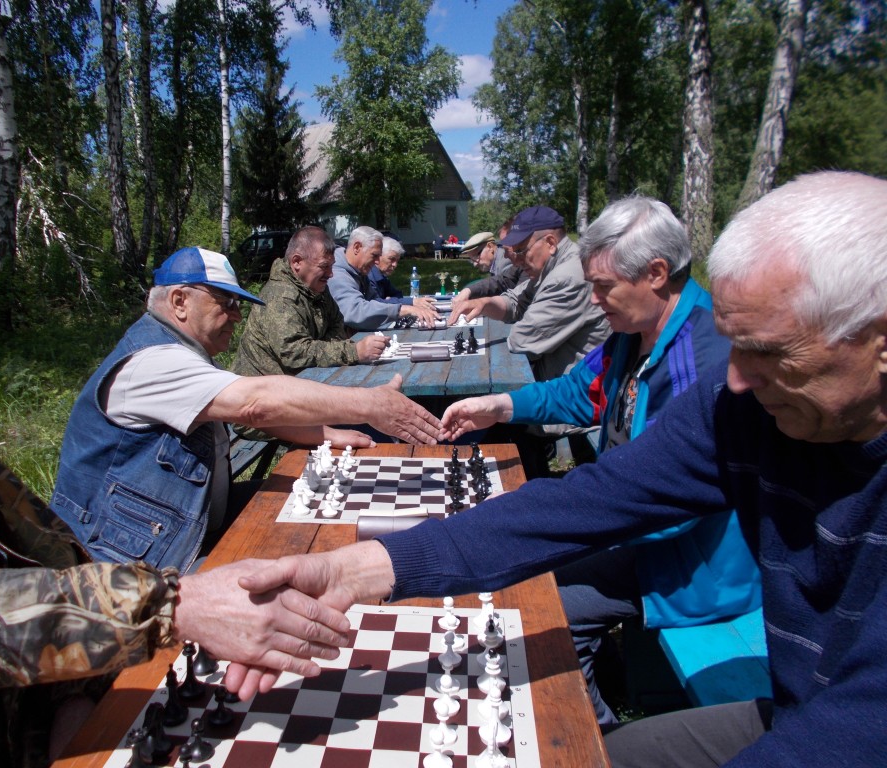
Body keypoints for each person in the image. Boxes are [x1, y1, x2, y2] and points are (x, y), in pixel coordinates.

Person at [238, 171, 887, 766]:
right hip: (796, 699)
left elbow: (857, 726)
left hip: (705, 593)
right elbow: (591, 495)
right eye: (737, 343)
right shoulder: (739, 404)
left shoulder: (710, 371)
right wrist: (352, 569)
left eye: (768, 351)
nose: (738, 377)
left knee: (540, 603)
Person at [0, 221, 352, 768]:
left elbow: (37, 554)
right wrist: (169, 607)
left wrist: (74, 688)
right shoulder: (149, 358)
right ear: (181, 302)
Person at [440, 195, 761, 725]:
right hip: (641, 530)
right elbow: (577, 394)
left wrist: (570, 523)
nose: (593, 301)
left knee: (543, 606)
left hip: (692, 561)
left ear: (656, 273)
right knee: (530, 575)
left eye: (604, 287)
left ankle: (594, 742)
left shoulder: (702, 362)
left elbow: (664, 507)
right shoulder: (633, 335)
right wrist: (499, 406)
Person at [51, 245, 441, 574]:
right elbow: (254, 404)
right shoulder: (152, 363)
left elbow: (239, 411)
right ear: (179, 301)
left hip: (188, 519)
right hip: (131, 564)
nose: (237, 316)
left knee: (335, 505)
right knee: (300, 568)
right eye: (226, 303)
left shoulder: (180, 352)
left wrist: (327, 434)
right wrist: (369, 404)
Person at [448, 205, 610, 384]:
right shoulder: (552, 266)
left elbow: (521, 340)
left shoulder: (565, 277)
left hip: (574, 394)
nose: (516, 260)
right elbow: (515, 301)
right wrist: (483, 304)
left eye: (521, 251)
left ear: (550, 243)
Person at [232, 226, 388, 377]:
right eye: (323, 266)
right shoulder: (279, 296)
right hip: (259, 392)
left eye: (331, 266)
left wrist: (324, 349)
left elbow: (337, 324)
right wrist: (354, 352)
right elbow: (294, 354)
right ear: (297, 262)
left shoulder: (315, 286)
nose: (330, 274)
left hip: (298, 381)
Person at [328, 226, 439, 330]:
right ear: (357, 248)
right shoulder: (337, 274)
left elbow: (374, 301)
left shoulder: (359, 270)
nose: (377, 261)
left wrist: (406, 307)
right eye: (374, 255)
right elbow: (355, 311)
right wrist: (405, 309)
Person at [369, 236, 407, 301]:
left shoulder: (382, 276)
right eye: (391, 259)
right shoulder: (369, 277)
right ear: (378, 256)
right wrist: (390, 302)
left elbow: (398, 294)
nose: (395, 265)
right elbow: (377, 305)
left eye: (397, 261)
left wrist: (391, 300)